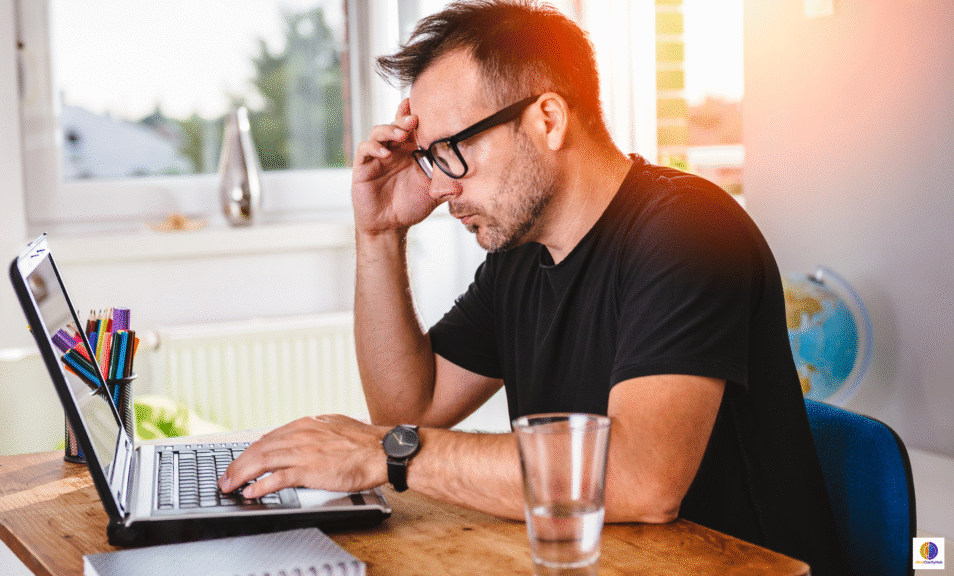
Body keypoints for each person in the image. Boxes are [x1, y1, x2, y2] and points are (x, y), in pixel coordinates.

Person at [221, 1, 845, 573]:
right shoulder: (522, 255)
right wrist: (380, 233)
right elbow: (409, 408)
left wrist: (389, 454)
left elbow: (641, 481)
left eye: (452, 150)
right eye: (429, 158)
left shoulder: (688, 231)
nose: (439, 189)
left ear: (547, 118)